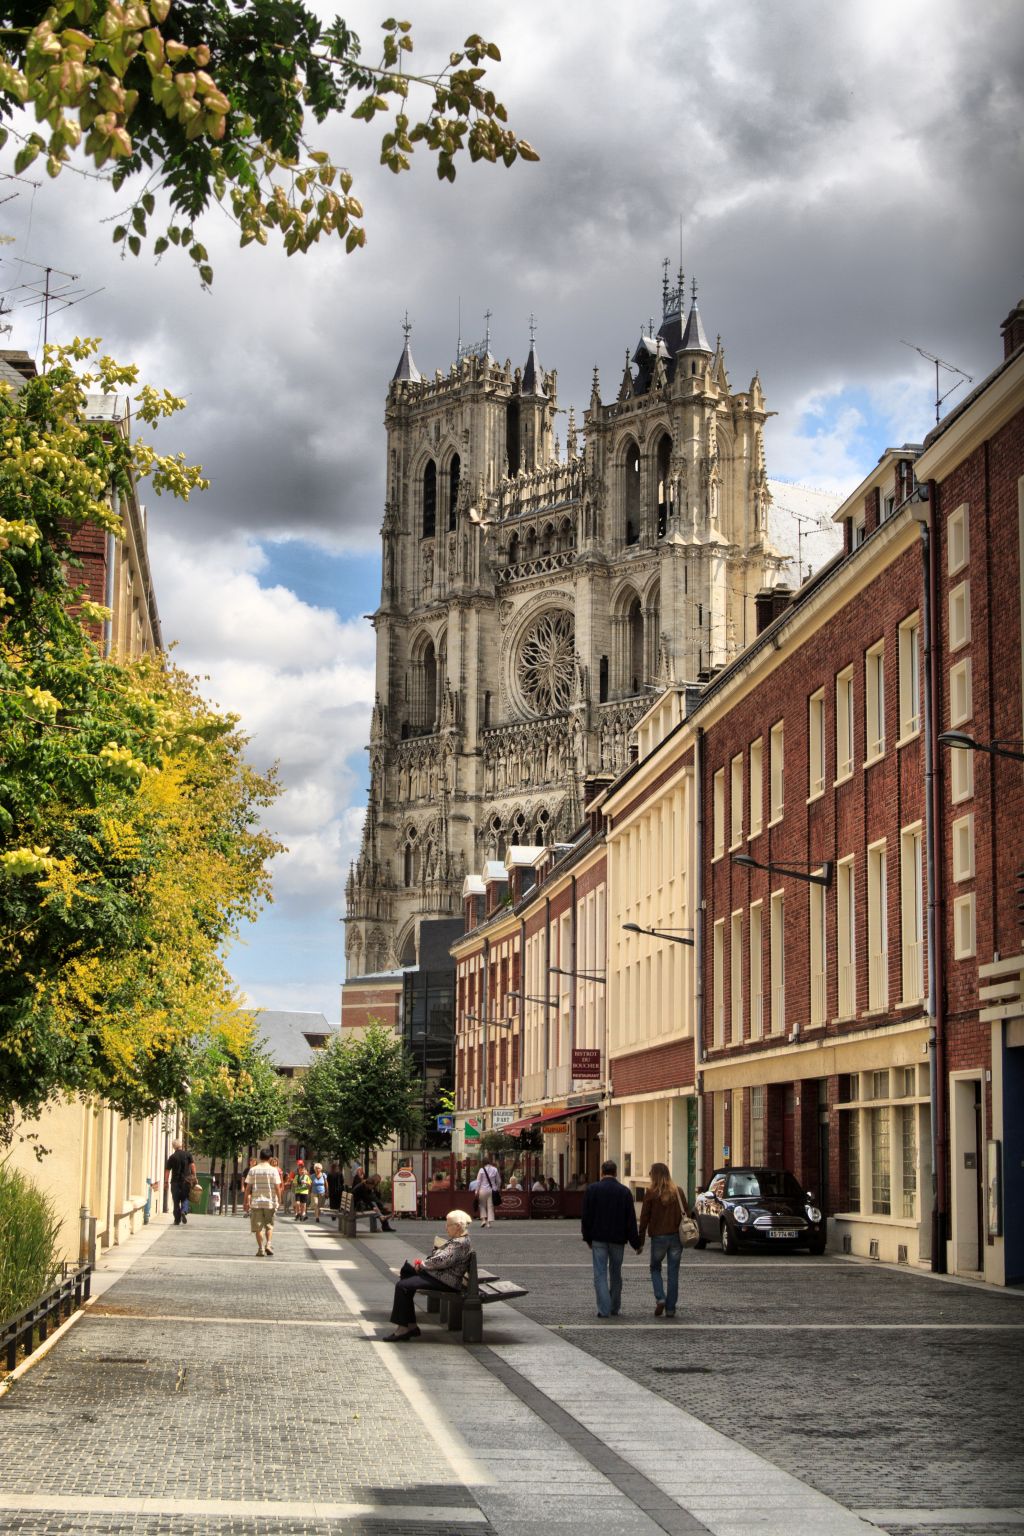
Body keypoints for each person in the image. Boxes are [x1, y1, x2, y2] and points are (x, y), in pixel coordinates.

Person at [383, 1210, 473, 1341]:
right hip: (442, 1276)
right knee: (407, 1273)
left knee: (403, 1286)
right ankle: (410, 1325)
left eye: (448, 1225)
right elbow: (442, 1258)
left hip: (446, 1281)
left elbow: (443, 1260)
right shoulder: (460, 1240)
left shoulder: (459, 1243)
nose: (446, 1228)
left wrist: (423, 1265)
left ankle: (404, 1328)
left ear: (458, 1226)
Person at [581, 1159, 640, 1318]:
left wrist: (587, 1238)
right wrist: (636, 1243)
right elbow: (630, 1220)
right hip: (618, 1239)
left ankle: (604, 1309)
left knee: (600, 1273)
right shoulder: (624, 1192)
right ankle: (614, 1306)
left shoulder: (592, 1190)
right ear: (615, 1172)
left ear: (602, 1172)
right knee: (615, 1273)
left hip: (598, 1238)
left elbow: (586, 1217)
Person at [637, 1162, 688, 1318]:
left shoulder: (651, 1193)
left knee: (655, 1268)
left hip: (658, 1237)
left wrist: (640, 1240)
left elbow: (644, 1218)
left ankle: (660, 1297)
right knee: (673, 1273)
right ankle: (671, 1309)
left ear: (655, 1175)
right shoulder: (678, 1192)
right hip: (675, 1238)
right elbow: (687, 1212)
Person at [243, 1147, 282, 1257]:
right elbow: (277, 1187)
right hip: (270, 1202)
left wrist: (246, 1202)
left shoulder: (253, 1170)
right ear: (270, 1158)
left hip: (256, 1202)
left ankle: (260, 1249)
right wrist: (279, 1200)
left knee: (258, 1227)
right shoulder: (274, 1170)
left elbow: (247, 1188)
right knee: (269, 1225)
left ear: (260, 1157)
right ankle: (268, 1244)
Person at [164, 1141, 196, 1226]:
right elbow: (192, 1166)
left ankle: (177, 1220)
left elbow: (167, 1171)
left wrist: (166, 1182)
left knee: (176, 1201)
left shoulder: (172, 1157)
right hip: (186, 1181)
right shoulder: (188, 1155)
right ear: (181, 1145)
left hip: (175, 1183)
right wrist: (194, 1176)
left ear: (173, 1147)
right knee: (185, 1198)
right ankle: (183, 1211)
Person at [476, 1158, 501, 1226]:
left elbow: (478, 1181)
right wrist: (498, 1188)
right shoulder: (495, 1169)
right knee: (490, 1206)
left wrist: (476, 1190)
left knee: (482, 1205)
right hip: (492, 1189)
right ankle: (489, 1222)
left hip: (483, 1190)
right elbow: (498, 1180)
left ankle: (483, 1220)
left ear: (483, 1163)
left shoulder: (481, 1170)